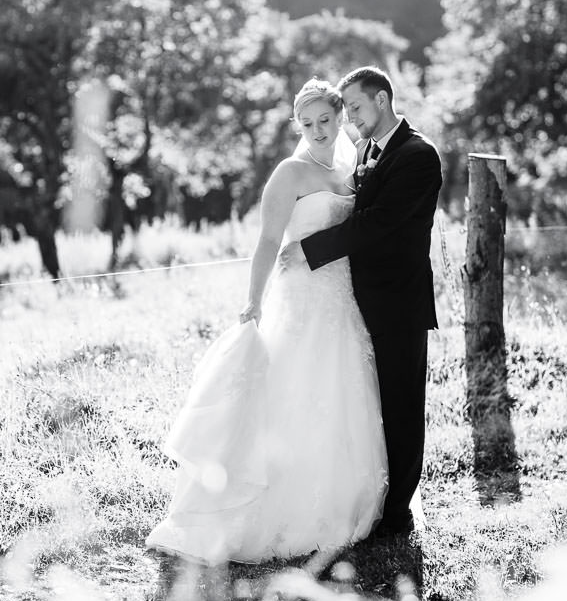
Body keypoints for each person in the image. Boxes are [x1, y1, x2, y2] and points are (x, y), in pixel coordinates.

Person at [146, 78, 388, 563]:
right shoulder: (289, 173)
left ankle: (343, 500)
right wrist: (253, 303)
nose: (317, 130)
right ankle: (270, 511)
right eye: (307, 123)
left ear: (340, 116)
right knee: (291, 394)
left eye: (325, 120)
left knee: (342, 394)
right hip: (301, 300)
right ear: (297, 126)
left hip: (343, 301)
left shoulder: (352, 164)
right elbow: (267, 244)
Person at [290, 65, 442, 537]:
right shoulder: (364, 152)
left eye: (354, 107)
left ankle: (398, 511)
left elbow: (377, 222)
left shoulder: (418, 155)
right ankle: (372, 498)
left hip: (398, 304)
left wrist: (309, 251)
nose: (349, 117)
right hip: (357, 302)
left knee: (400, 406)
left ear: (381, 99)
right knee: (368, 405)